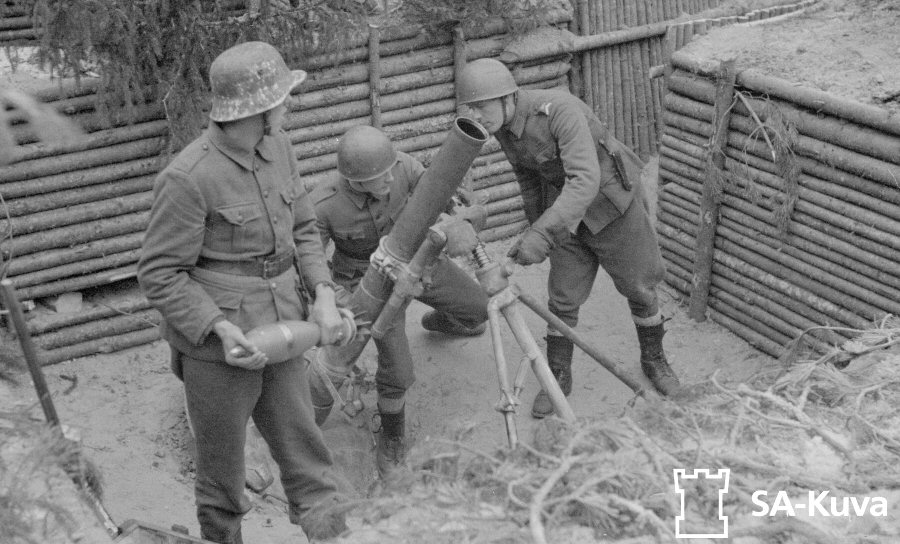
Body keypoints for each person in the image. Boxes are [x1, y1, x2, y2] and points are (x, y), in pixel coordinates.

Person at [137, 41, 348, 543]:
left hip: (283, 325)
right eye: (282, 97)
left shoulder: (279, 149)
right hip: (220, 348)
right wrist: (221, 327)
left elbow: (303, 227)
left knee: (308, 457)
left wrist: (322, 291)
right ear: (256, 107)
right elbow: (160, 272)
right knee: (222, 475)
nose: (288, 105)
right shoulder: (189, 178)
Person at [456, 58, 681, 418]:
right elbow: (528, 179)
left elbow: (585, 180)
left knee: (640, 287)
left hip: (610, 205)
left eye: (481, 105)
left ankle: (654, 359)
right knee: (562, 298)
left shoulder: (560, 112)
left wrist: (541, 234)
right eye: (471, 107)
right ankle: (558, 375)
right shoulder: (502, 126)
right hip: (564, 215)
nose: (477, 115)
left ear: (507, 97)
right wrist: (538, 228)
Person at [310, 125, 488, 476]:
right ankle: (392, 437)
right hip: (367, 284)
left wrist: (458, 216)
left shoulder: (403, 166)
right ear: (356, 182)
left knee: (477, 309)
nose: (391, 180)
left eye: (392, 170)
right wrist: (342, 302)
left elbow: (438, 195)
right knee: (397, 368)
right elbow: (311, 266)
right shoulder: (324, 205)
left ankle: (441, 320)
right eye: (380, 178)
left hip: (419, 261)